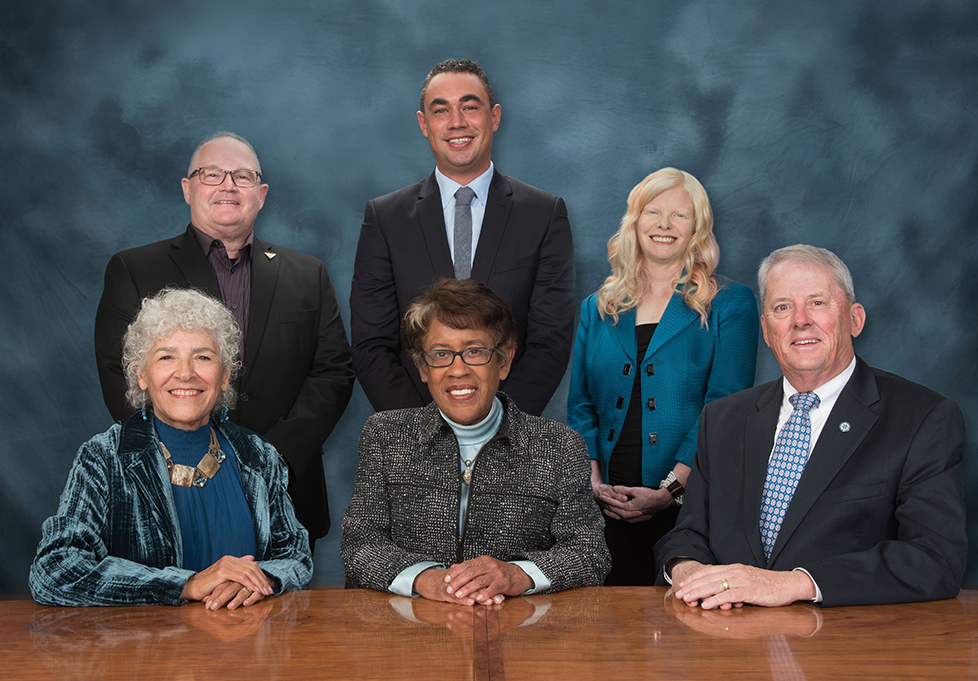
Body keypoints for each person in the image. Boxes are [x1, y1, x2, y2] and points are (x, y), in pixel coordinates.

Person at [655, 245, 967, 608]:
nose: (800, 320)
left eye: (818, 303)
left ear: (855, 319)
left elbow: (935, 560)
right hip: (728, 642)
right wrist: (686, 569)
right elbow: (689, 533)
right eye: (782, 307)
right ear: (767, 330)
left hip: (847, 648)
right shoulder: (721, 419)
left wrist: (792, 584)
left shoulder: (923, 418)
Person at [94, 132, 354, 549]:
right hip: (174, 485)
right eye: (211, 174)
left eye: (243, 176)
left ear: (262, 193)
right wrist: (182, 456)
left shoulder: (308, 274)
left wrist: (271, 459)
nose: (228, 185)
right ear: (187, 188)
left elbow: (334, 373)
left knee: (288, 610)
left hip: (285, 487)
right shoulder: (134, 269)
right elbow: (119, 372)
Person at [31, 288, 312, 607]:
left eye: (203, 357)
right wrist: (185, 583)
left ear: (225, 375)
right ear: (141, 375)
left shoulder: (258, 456)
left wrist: (260, 579)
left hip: (248, 648)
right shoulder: (104, 456)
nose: (185, 373)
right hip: (144, 651)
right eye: (166, 356)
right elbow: (54, 571)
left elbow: (296, 558)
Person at [341, 278, 610, 604]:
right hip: (409, 636)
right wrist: (427, 579)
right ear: (423, 368)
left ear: (504, 361)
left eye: (475, 352)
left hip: (519, 634)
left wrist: (516, 575)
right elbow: (360, 543)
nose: (458, 370)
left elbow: (589, 553)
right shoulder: (385, 436)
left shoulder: (559, 446)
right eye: (440, 354)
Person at [351, 58, 575, 416]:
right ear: (424, 124)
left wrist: (498, 428)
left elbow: (550, 343)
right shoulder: (385, 218)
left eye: (470, 107)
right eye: (441, 111)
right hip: (415, 442)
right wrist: (425, 434)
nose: (457, 122)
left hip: (509, 442)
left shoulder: (544, 215)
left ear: (495, 116)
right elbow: (371, 345)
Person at [568, 168, 758, 585]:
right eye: (653, 212)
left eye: (680, 216)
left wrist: (670, 490)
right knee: (605, 633)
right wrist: (594, 483)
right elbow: (581, 407)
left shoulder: (730, 302)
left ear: (698, 228)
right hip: (605, 504)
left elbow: (724, 406)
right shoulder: (597, 307)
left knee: (676, 634)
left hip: (688, 504)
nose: (665, 226)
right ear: (635, 222)